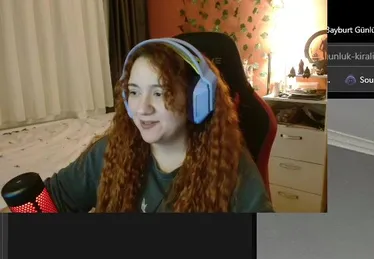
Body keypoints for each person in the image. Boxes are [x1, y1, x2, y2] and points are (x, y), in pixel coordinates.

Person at [44, 37, 272, 213]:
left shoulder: (231, 169)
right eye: (134, 92)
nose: (142, 109)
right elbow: (49, 200)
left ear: (196, 98)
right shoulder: (111, 150)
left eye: (159, 93)